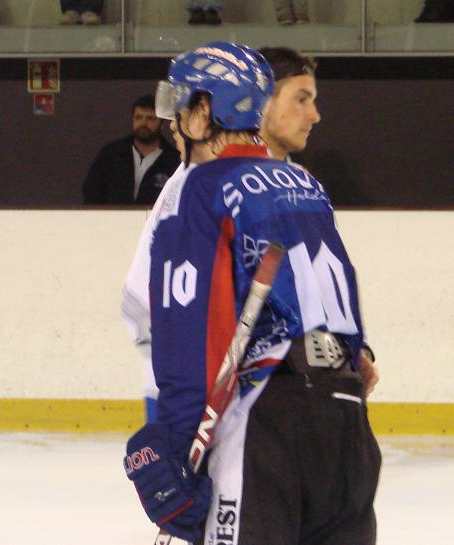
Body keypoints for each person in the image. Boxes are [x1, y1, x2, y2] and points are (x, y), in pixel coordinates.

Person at [123, 42, 381, 545]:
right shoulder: (304, 184)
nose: (172, 123)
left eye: (180, 105)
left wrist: (173, 448)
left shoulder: (198, 190)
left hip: (268, 422)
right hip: (347, 418)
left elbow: (188, 338)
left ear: (204, 112)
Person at [83, 95, 181, 205]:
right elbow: (91, 191)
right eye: (138, 117)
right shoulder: (112, 153)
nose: (143, 123)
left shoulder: (174, 159)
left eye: (150, 118)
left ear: (162, 124)